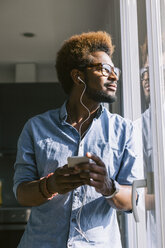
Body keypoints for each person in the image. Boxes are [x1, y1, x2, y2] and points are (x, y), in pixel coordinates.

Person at [13, 31, 141, 248]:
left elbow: (135, 199)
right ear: (78, 76)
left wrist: (109, 186)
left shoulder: (124, 130)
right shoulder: (36, 127)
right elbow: (21, 194)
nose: (114, 77)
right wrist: (50, 184)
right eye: (104, 69)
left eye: (115, 70)